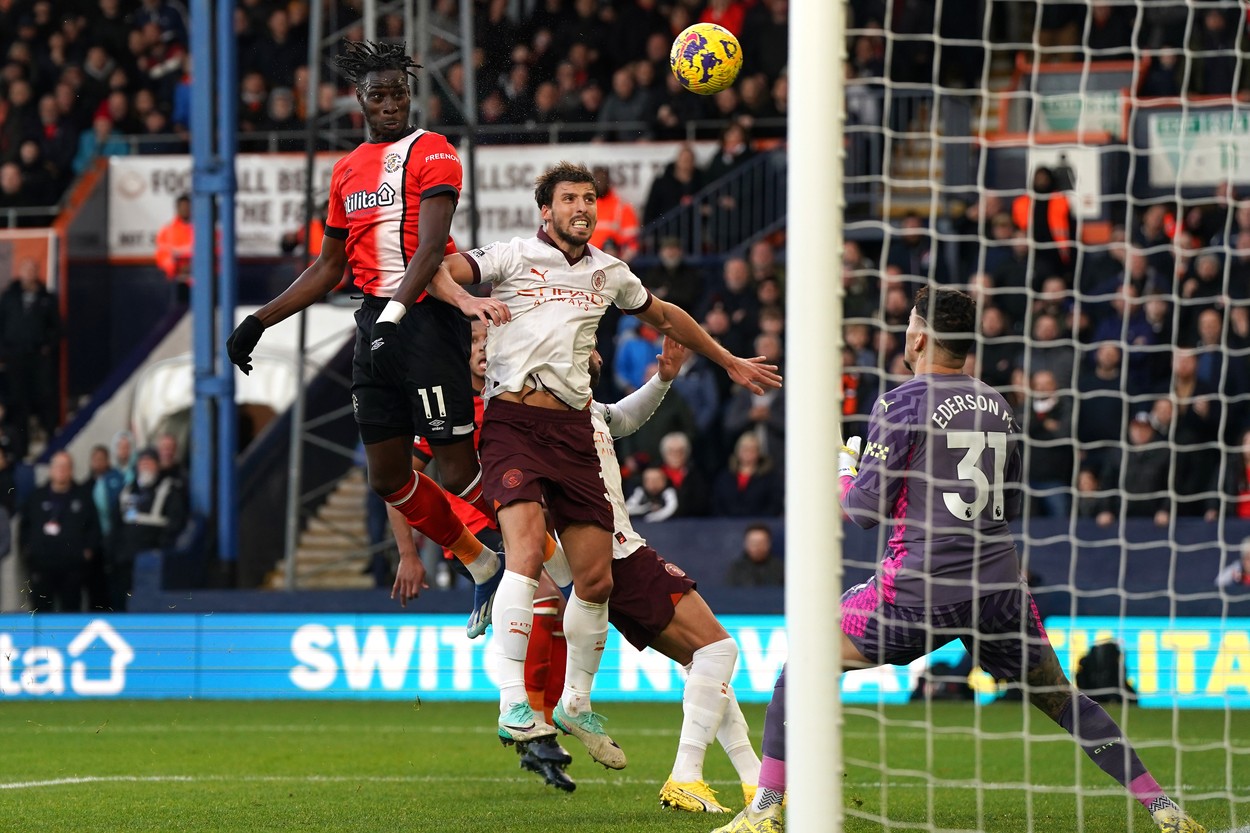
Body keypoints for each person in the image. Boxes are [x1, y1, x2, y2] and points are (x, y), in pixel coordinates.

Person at [717, 287, 1206, 833]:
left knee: (802, 660)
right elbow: (1008, 504)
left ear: (920, 336)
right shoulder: (999, 405)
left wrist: (843, 467)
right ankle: (1164, 808)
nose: (905, 332)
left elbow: (860, 512)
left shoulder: (900, 401)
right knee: (1064, 701)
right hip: (999, 589)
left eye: (907, 322)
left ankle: (764, 810)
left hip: (919, 592)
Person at [432, 161, 781, 768]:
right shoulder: (511, 257)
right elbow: (440, 269)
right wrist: (464, 297)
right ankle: (515, 701)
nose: (582, 208)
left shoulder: (608, 273)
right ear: (546, 209)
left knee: (594, 580)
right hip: (513, 420)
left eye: (589, 199)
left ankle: (574, 702)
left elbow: (667, 316)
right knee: (523, 550)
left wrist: (726, 361)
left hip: (574, 428)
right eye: (569, 199)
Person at [225, 40, 510, 638]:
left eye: (397, 94)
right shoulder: (346, 170)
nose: (388, 103)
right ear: (359, 100)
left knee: (456, 469)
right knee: (387, 476)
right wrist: (259, 320)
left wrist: (393, 319)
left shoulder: (432, 150)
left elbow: (432, 248)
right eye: (377, 94)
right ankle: (483, 564)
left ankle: (542, 550)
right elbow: (329, 267)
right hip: (372, 322)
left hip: (426, 320)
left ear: (410, 97)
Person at [19, 451, 99, 612]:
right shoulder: (36, 496)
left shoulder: (83, 497)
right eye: (58, 466)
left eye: (66, 466)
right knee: (41, 611)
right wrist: (28, 550)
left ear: (71, 470)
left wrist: (87, 552)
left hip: (72, 567)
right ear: (51, 469)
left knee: (71, 611)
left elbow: (94, 528)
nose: (61, 470)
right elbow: (24, 527)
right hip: (42, 566)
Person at [113, 448, 188, 611]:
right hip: (126, 560)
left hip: (153, 559)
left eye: (149, 463)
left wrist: (161, 546)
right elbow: (117, 524)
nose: (145, 466)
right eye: (142, 463)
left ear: (157, 465)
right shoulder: (127, 491)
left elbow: (176, 521)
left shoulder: (168, 489)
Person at [0, 257, 61, 454]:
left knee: (45, 399)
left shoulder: (47, 298)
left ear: (38, 272)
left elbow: (58, 328)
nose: (29, 274)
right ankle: (20, 447)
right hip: (15, 359)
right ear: (20, 272)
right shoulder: (9, 297)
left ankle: (51, 439)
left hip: (39, 360)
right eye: (26, 269)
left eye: (33, 270)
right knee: (18, 405)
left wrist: (47, 347)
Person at [154, 193, 194, 292]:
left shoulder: (203, 229)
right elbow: (162, 256)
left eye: (188, 206)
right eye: (182, 206)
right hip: (176, 282)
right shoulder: (167, 230)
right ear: (177, 208)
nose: (185, 209)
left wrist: (194, 266)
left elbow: (213, 251)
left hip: (201, 279)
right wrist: (176, 267)